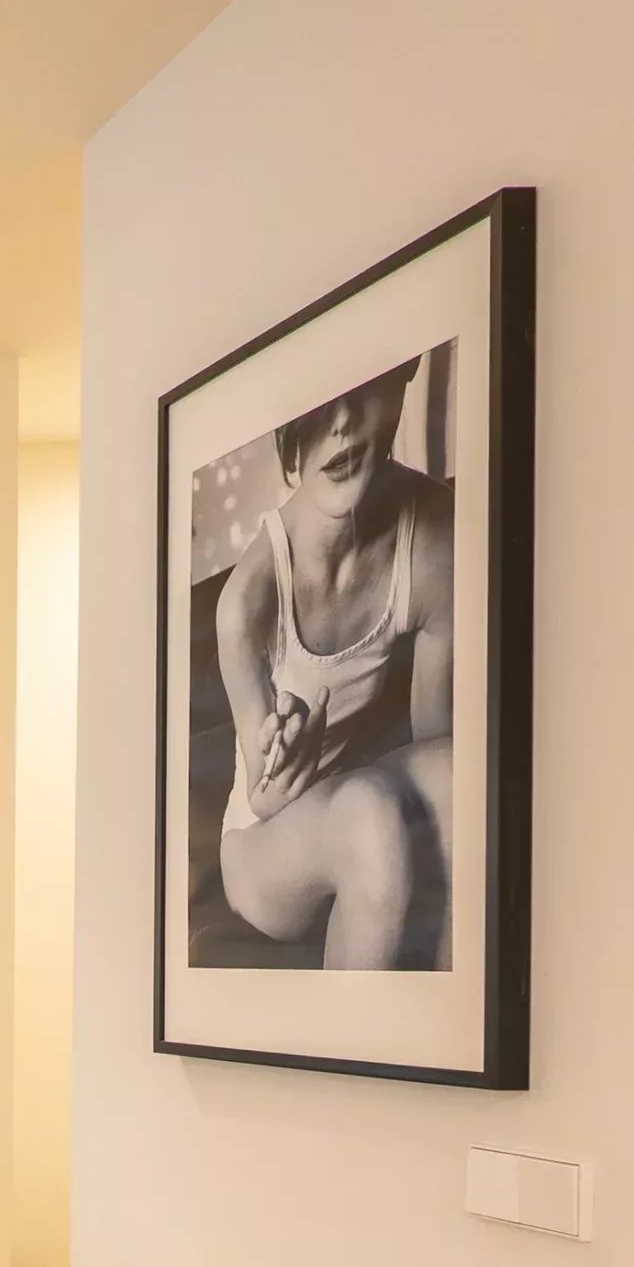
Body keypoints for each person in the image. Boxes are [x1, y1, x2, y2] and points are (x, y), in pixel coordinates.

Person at [210, 363, 456, 969]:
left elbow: (434, 746)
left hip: (358, 788)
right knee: (370, 816)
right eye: (319, 405)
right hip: (263, 843)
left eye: (362, 388)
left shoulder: (434, 537)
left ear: (404, 375)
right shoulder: (247, 602)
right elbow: (264, 798)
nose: (342, 421)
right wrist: (294, 763)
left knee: (465, 780)